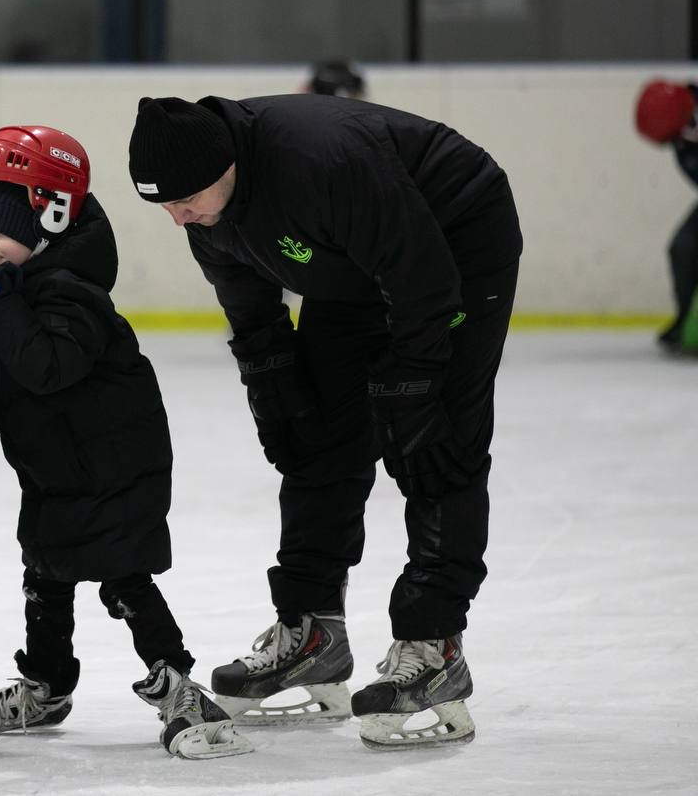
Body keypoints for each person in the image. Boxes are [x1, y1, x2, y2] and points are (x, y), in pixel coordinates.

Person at [128, 94, 522, 750]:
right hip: (356, 260)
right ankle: (312, 633)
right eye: (162, 204)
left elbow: (420, 273)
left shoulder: (321, 160)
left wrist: (415, 381)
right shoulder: (206, 212)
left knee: (435, 438)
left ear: (225, 163)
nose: (177, 217)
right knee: (314, 429)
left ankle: (434, 648)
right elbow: (254, 317)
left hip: (455, 235)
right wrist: (272, 382)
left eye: (184, 197)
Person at [0, 125, 252, 759]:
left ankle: (182, 691)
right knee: (45, 575)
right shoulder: (18, 277)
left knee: (123, 578)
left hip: (113, 468)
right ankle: (46, 685)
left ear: (50, 222)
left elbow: (46, 366)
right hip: (57, 468)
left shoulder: (72, 292)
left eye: (1, 231)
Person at [634, 79, 698, 355]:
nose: (680, 142)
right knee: (684, 247)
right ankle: (686, 319)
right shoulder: (685, 147)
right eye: (673, 140)